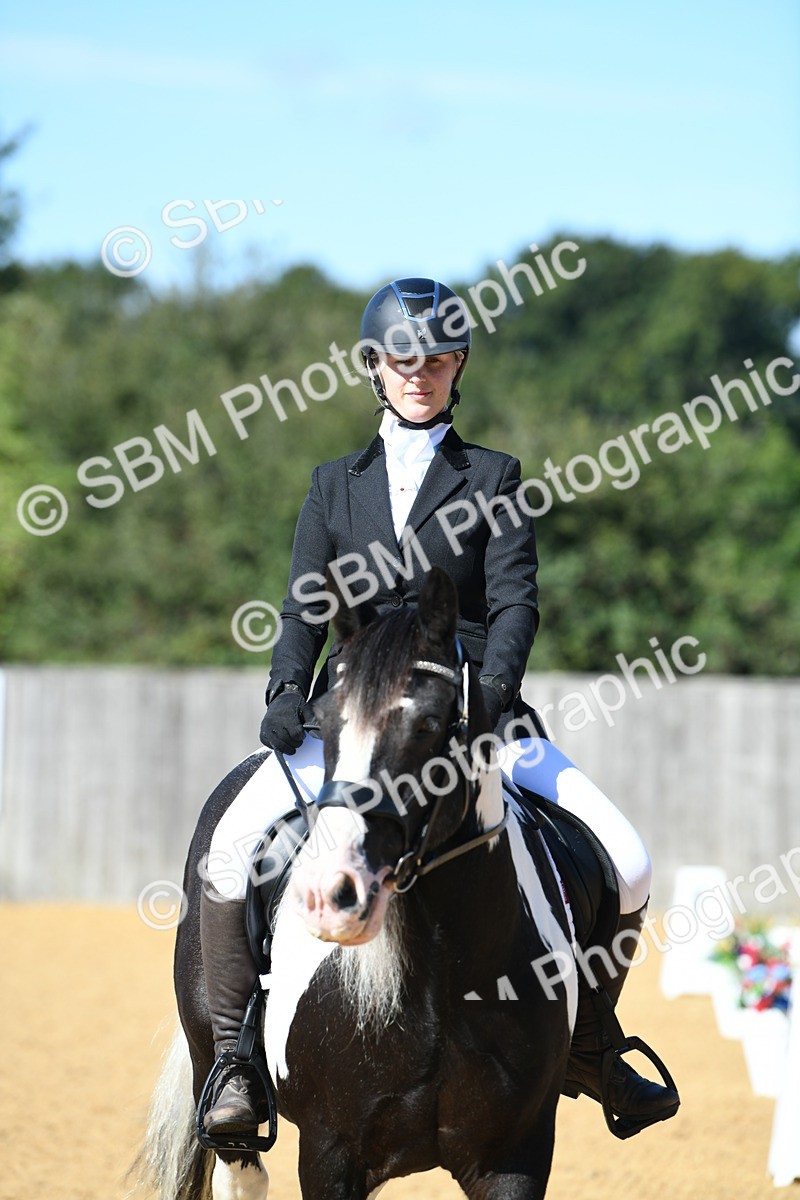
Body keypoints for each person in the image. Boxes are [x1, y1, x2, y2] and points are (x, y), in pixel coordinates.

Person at [199, 278, 680, 1137]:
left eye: (438, 359)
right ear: (375, 369)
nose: (420, 373)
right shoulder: (332, 484)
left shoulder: (493, 476)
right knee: (234, 847)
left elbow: (515, 604)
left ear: (458, 368)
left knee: (631, 860)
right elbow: (304, 605)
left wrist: (489, 695)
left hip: (465, 715)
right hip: (351, 725)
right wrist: (283, 690)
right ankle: (236, 1058)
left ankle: (591, 1044)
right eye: (403, 359)